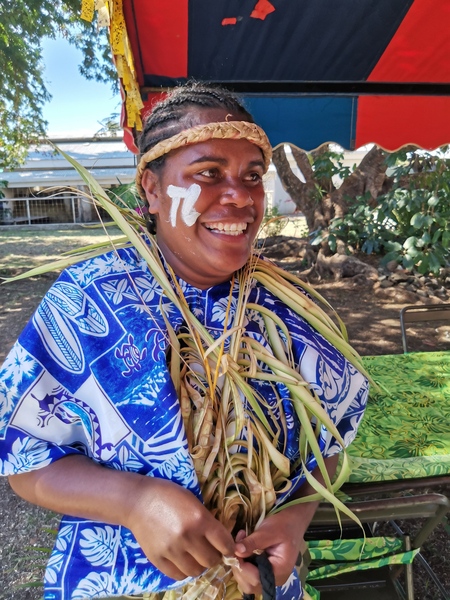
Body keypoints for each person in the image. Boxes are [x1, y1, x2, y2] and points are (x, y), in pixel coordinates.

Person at [0, 82, 369, 600]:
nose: (240, 195)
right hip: (119, 584)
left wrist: (293, 519)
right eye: (209, 173)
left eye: (253, 176)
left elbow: (329, 440)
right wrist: (133, 501)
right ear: (151, 189)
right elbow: (24, 458)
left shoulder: (287, 311)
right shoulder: (89, 301)